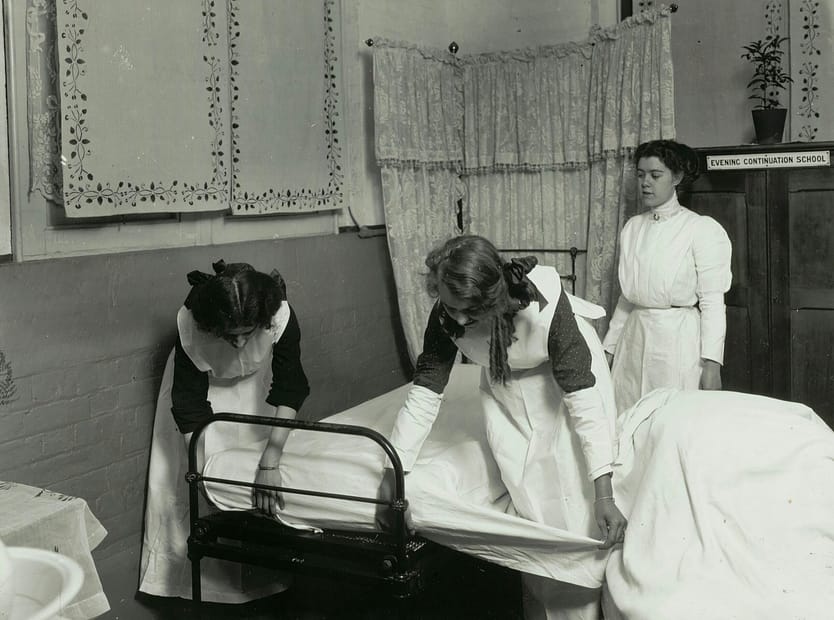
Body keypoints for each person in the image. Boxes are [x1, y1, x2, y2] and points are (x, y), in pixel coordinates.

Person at [381, 235, 626, 620]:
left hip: (566, 382)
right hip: (505, 382)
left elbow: (582, 397)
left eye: (470, 313)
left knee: (578, 497)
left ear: (493, 300)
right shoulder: (447, 314)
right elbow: (426, 390)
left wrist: (604, 494)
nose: (458, 321)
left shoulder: (545, 306)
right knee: (530, 499)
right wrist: (395, 472)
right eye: (449, 307)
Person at [139, 260, 310, 602]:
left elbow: (292, 386)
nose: (241, 342)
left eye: (249, 332)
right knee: (190, 499)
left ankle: (264, 589)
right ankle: (194, 594)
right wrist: (201, 474)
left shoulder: (279, 313)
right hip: (202, 402)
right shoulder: (191, 322)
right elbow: (189, 405)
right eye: (232, 335)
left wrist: (270, 461)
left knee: (256, 490)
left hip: (254, 393)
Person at [602, 139, 732, 413]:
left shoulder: (700, 229)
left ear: (677, 177)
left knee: (672, 421)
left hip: (677, 343)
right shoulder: (632, 228)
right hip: (634, 340)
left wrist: (712, 364)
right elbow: (627, 299)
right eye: (640, 175)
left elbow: (712, 302)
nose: (645, 183)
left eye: (655, 175)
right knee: (628, 416)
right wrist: (609, 349)